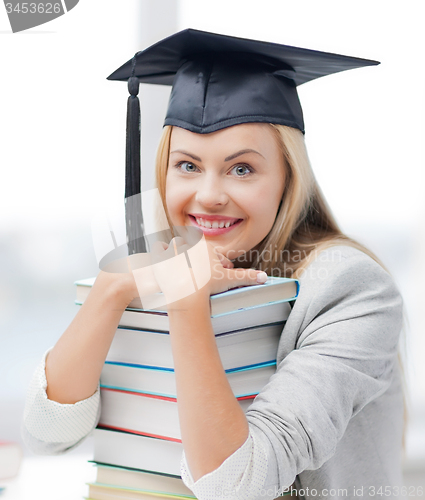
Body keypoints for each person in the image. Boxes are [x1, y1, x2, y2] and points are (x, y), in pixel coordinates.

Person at [22, 29, 405, 500]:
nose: (208, 196)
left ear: (288, 177)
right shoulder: (153, 262)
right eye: (186, 165)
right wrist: (110, 289)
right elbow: (48, 437)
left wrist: (187, 304)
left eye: (241, 169)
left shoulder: (349, 287)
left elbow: (238, 486)